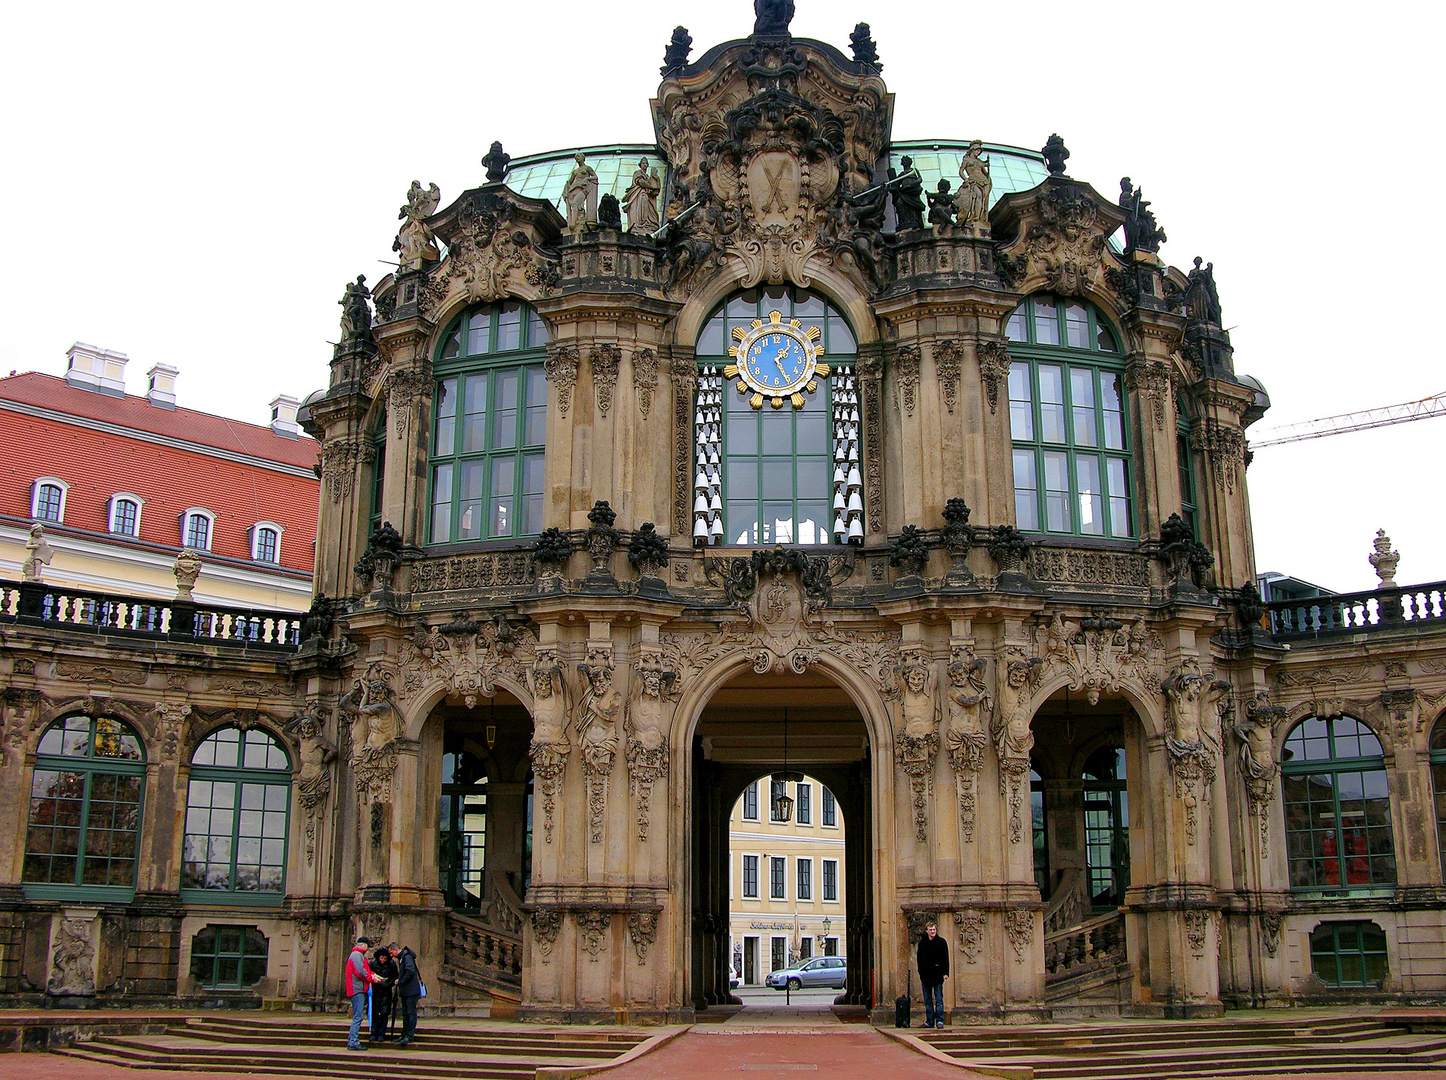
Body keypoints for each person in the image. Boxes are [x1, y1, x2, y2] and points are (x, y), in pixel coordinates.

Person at [345, 935, 384, 1050]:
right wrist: (372, 978)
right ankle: (353, 1041)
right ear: (362, 945)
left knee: (358, 1016)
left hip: (358, 988)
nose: (368, 949)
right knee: (357, 1017)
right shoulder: (357, 955)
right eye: (367, 946)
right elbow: (360, 972)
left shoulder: (357, 955)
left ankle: (353, 1041)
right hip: (357, 989)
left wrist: (372, 975)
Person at [917, 921, 949, 1029]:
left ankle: (940, 1020)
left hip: (937, 974)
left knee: (939, 999)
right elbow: (919, 960)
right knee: (928, 1000)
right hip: (926, 975)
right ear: (927, 931)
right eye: (930, 930)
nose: (932, 932)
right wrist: (921, 973)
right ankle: (929, 1021)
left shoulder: (941, 942)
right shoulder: (922, 944)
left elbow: (945, 959)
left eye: (934, 930)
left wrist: (945, 973)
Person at [392, 942, 422, 1046]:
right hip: (406, 991)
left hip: (410, 990)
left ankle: (410, 1035)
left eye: (392, 953)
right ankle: (404, 1034)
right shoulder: (402, 958)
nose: (391, 955)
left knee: (410, 1012)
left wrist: (401, 981)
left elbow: (410, 971)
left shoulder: (406, 957)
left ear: (396, 950)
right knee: (405, 1013)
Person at [369, 943, 398, 1042]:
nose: (383, 960)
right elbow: (368, 974)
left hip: (386, 992)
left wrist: (387, 984)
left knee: (384, 1014)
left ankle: (381, 1034)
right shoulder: (373, 963)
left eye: (385, 958)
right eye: (381, 958)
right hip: (375, 991)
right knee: (375, 1014)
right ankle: (374, 1033)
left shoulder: (391, 964)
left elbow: (394, 977)